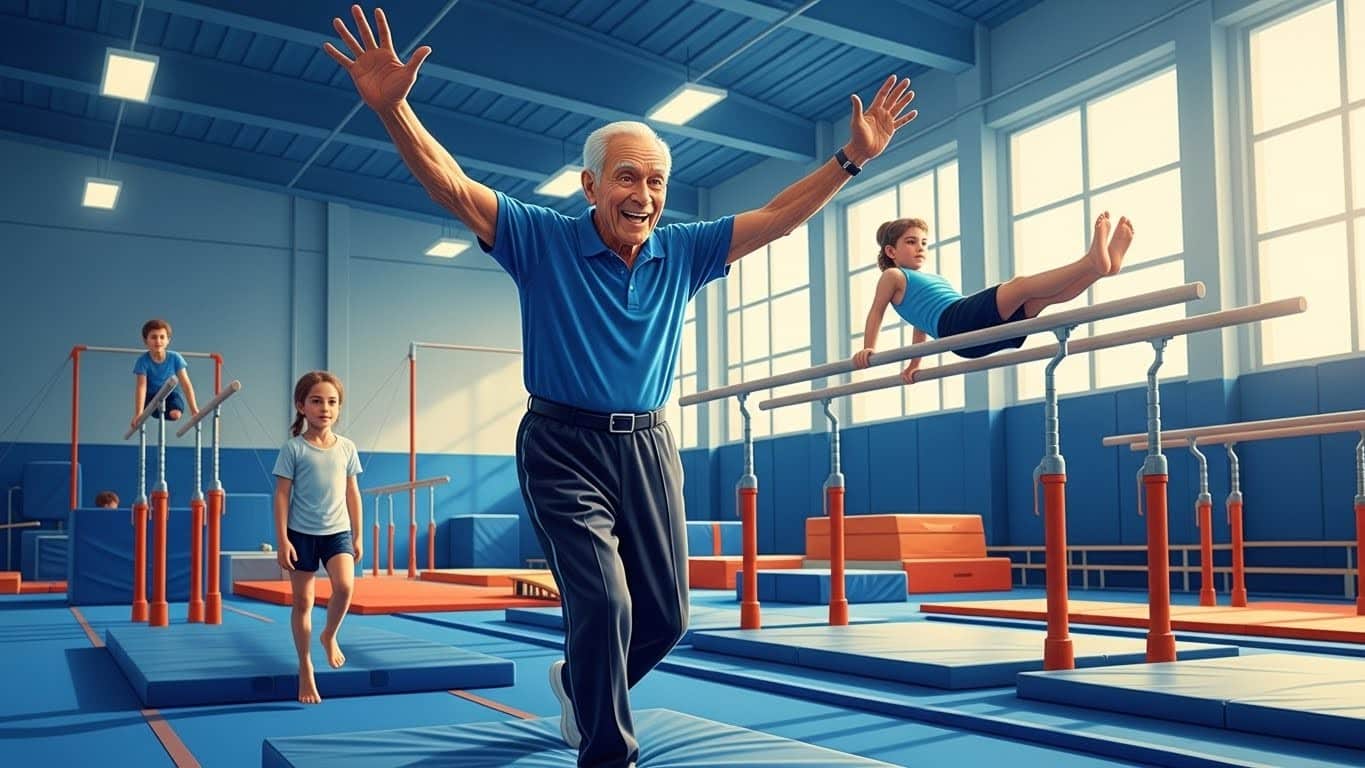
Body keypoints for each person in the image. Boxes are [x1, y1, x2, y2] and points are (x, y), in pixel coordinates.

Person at [324, 6, 915, 765]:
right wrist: (394, 107)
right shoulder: (540, 238)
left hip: (646, 445)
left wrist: (850, 160)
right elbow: (451, 185)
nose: (644, 193)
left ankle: (578, 683)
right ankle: (608, 753)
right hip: (560, 444)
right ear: (591, 184)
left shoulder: (685, 250)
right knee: (602, 603)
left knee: (666, 619)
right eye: (628, 176)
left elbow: (775, 217)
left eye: (657, 180)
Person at [852, 212, 1134, 383]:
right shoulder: (894, 276)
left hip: (964, 333)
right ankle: (1090, 263)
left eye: (924, 242)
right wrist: (869, 348)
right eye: (910, 242)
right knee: (1021, 285)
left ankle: (1099, 271)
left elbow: (920, 323)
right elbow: (876, 311)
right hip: (957, 323)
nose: (920, 248)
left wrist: (915, 362)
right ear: (891, 252)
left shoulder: (933, 279)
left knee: (1039, 300)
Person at [271, 371, 363, 705]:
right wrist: (282, 539)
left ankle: (329, 634)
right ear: (301, 406)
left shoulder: (347, 448)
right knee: (303, 602)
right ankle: (305, 664)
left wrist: (358, 534)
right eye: (317, 401)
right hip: (301, 533)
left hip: (337, 531)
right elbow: (282, 495)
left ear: (339, 408)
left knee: (345, 587)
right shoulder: (293, 448)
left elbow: (353, 492)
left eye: (332, 402)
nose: (325, 408)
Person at [130, 318, 199, 428]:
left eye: (162, 337)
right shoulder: (142, 361)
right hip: (151, 396)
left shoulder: (175, 358)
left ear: (168, 340)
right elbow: (141, 387)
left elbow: (186, 385)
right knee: (150, 410)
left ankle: (167, 410)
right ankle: (157, 410)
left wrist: (194, 410)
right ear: (145, 341)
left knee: (175, 414)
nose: (158, 341)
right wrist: (138, 413)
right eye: (153, 337)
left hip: (171, 394)